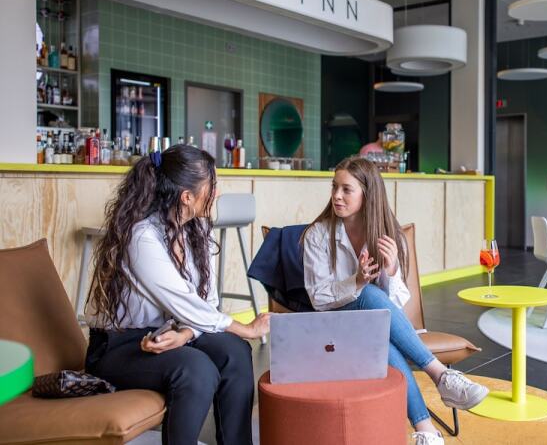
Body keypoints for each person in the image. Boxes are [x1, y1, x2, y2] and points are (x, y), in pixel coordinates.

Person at [85, 144, 270, 445]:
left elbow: (205, 304)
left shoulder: (198, 230)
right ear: (187, 197)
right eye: (212, 186)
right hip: (118, 347)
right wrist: (246, 328)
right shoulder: (141, 236)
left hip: (167, 332)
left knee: (234, 351)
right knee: (197, 370)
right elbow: (183, 302)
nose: (218, 193)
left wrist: (185, 334)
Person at [302, 157, 489, 445]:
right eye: (334, 187)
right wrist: (358, 281)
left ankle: (426, 430)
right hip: (333, 327)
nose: (337, 195)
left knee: (381, 337)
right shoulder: (317, 235)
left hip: (373, 329)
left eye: (346, 189)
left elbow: (396, 306)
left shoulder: (388, 236)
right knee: (367, 294)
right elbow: (318, 299)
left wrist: (389, 273)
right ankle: (440, 375)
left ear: (368, 194)